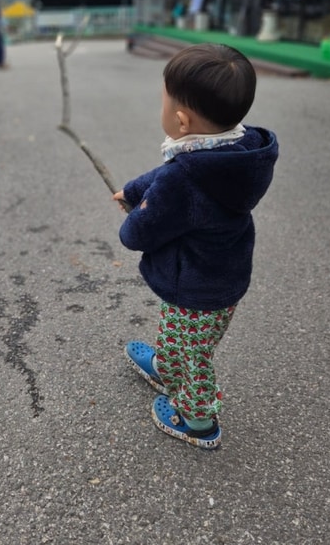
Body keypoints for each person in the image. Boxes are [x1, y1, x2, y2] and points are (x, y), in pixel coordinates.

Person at [113, 43, 278, 449]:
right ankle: (167, 367)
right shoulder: (234, 150)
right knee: (184, 337)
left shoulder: (185, 179)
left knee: (194, 355)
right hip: (221, 276)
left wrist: (131, 221)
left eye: (164, 102)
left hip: (197, 287)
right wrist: (133, 191)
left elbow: (143, 230)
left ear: (182, 120)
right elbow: (165, 174)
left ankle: (199, 420)